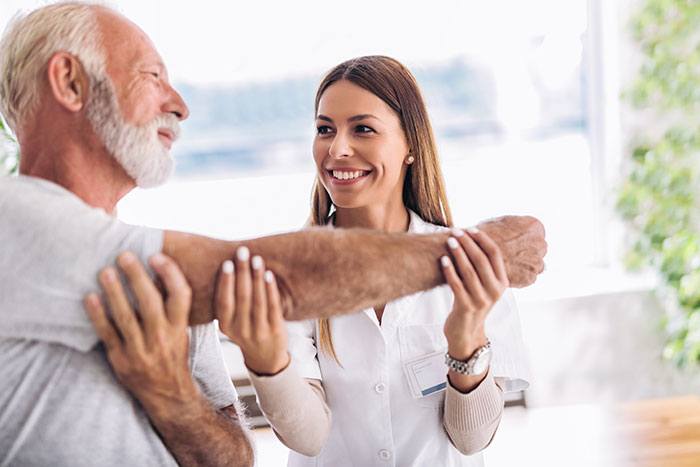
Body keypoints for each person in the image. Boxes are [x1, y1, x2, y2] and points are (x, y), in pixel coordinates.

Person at [0, 2, 546, 465]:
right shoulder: (16, 220)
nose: (180, 104)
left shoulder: (167, 273)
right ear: (69, 81)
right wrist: (479, 253)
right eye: (151, 75)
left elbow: (235, 457)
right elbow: (281, 276)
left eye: (363, 129)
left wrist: (170, 396)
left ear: (411, 146)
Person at [216, 56, 530, 467]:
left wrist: (465, 334)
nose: (337, 149)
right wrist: (265, 359)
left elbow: (471, 440)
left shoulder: (476, 267)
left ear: (411, 147)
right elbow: (307, 437)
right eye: (324, 129)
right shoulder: (290, 270)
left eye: (362, 129)